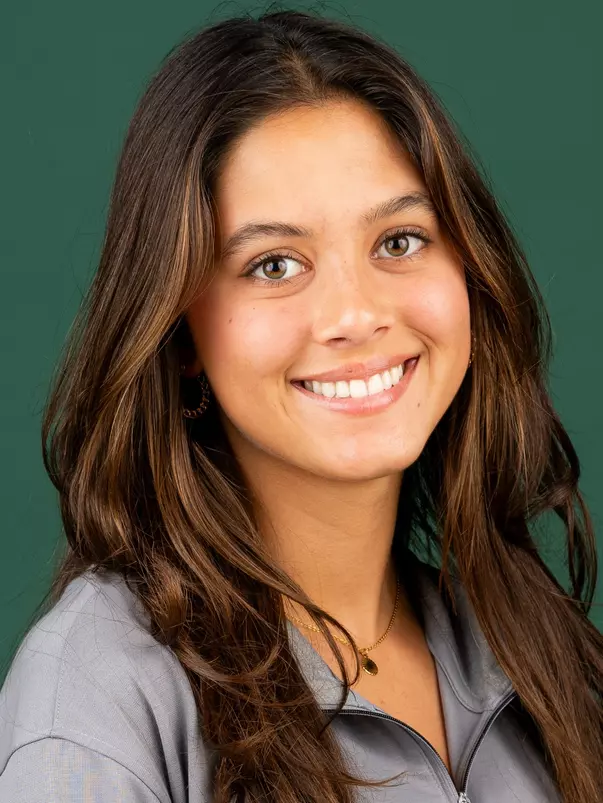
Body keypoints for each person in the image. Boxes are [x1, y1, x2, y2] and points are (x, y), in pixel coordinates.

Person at [1, 8, 601, 803]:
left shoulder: (534, 642)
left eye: (398, 241)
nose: (354, 314)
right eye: (275, 264)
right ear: (179, 334)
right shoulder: (95, 701)